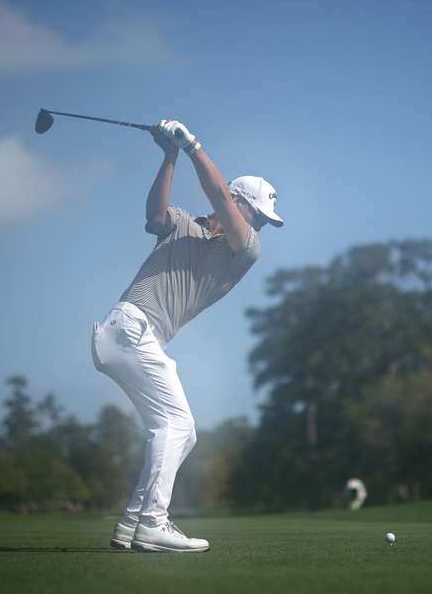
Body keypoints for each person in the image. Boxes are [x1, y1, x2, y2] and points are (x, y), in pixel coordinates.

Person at [91, 119, 283, 553]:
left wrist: (191, 144)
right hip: (130, 325)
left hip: (138, 337)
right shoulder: (182, 222)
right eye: (258, 215)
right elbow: (155, 217)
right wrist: (171, 155)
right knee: (177, 425)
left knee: (180, 432)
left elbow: (218, 197)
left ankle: (133, 522)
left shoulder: (245, 249)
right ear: (240, 201)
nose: (259, 226)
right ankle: (153, 523)